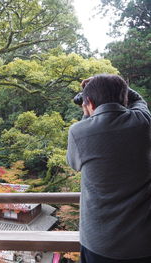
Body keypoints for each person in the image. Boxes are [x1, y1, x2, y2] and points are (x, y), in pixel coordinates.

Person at [66, 74, 151, 263]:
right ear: (125, 99)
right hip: (143, 241)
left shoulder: (78, 132)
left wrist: (87, 110)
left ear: (89, 102)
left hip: (99, 242)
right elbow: (139, 100)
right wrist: (117, 87)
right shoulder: (143, 121)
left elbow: (74, 164)